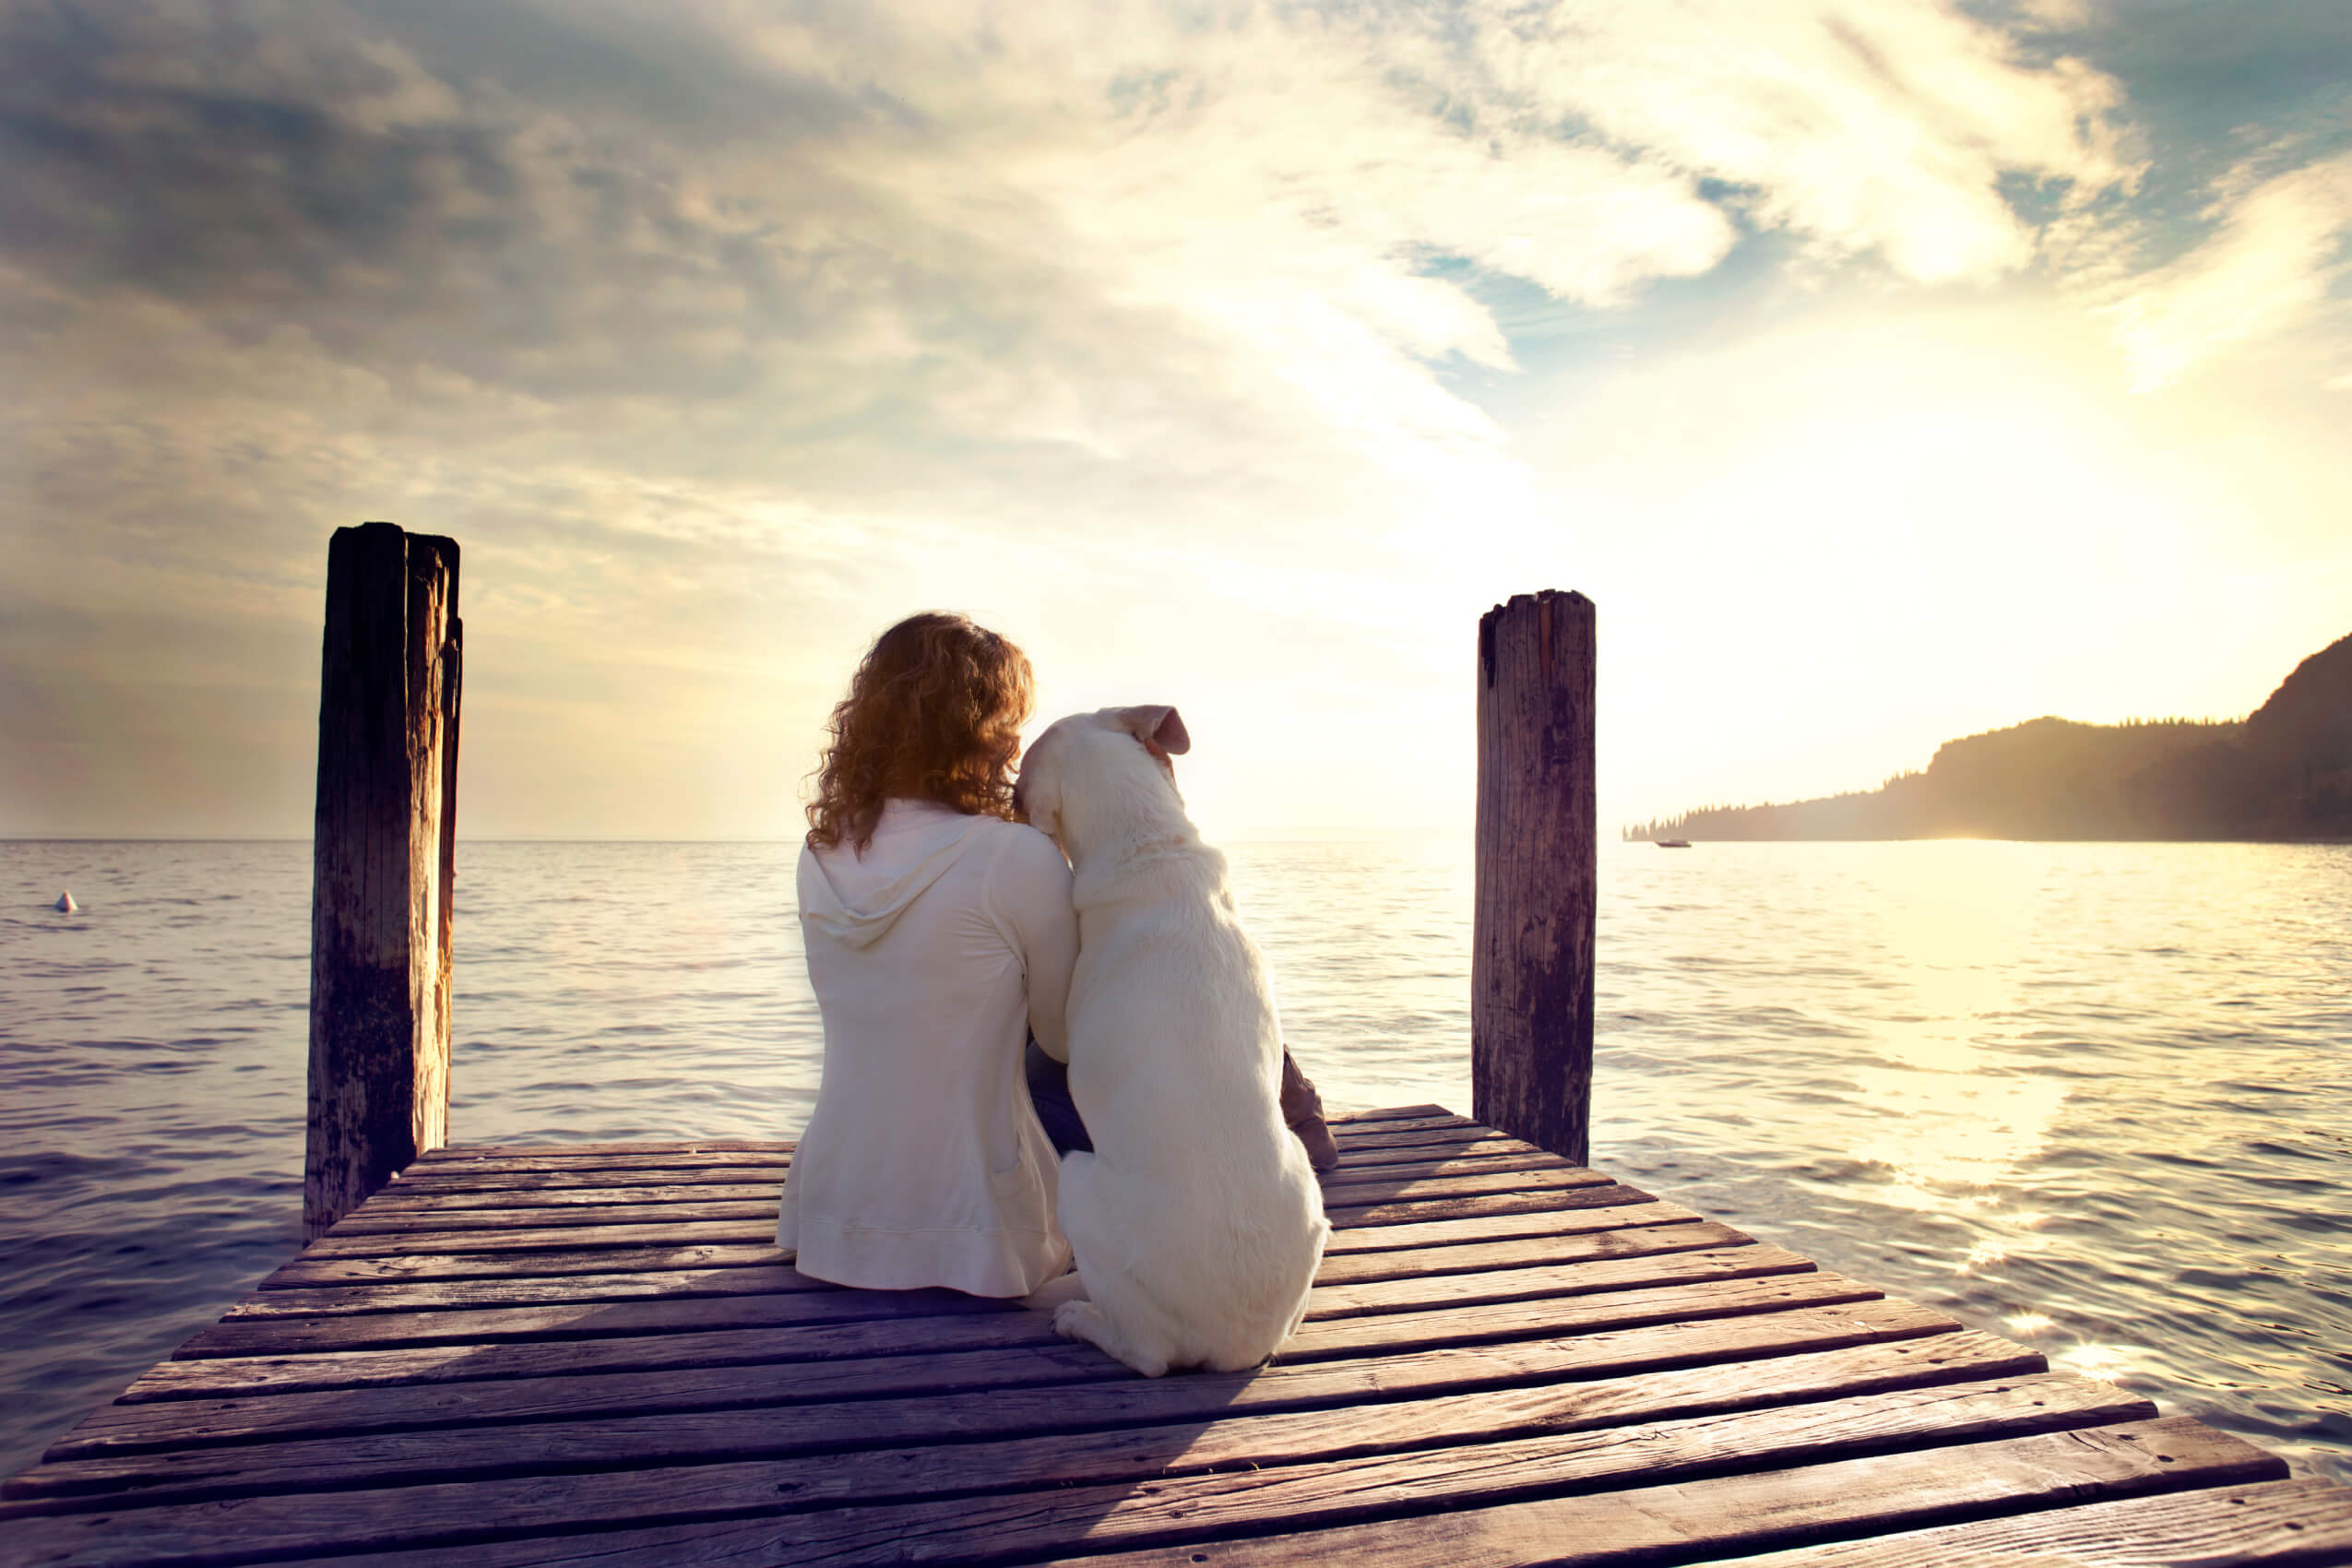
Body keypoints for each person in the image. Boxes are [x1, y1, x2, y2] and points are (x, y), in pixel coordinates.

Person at [778, 612, 1077, 1297]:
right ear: (978, 730)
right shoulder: (1016, 856)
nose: (1015, 744)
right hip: (981, 1234)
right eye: (1010, 722)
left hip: (830, 1217)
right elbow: (1065, 1040)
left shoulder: (819, 851)